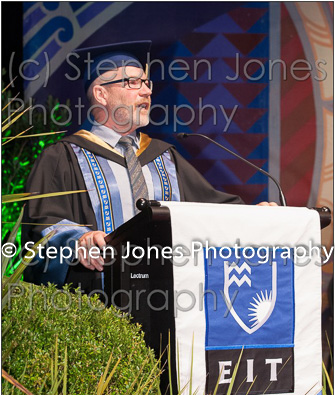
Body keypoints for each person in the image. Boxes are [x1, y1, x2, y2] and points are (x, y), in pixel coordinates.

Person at [22, 40, 274, 293]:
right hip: (95, 306)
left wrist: (254, 216)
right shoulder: (62, 157)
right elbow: (39, 227)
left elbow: (210, 210)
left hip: (170, 302)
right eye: (132, 82)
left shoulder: (165, 157)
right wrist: (77, 242)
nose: (146, 92)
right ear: (101, 94)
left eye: (146, 83)